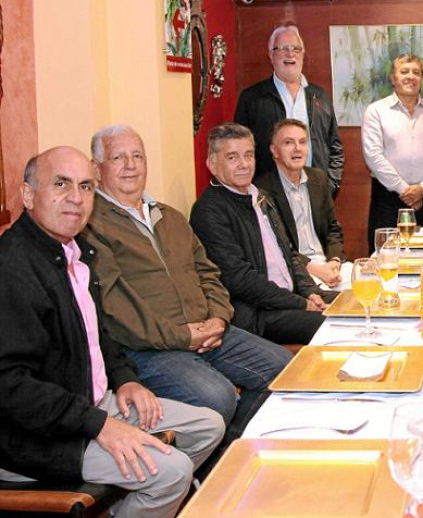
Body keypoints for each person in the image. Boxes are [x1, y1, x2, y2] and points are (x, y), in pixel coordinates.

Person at [0, 147, 224, 518]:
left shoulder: (76, 254)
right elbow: (10, 386)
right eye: (61, 184)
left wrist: (125, 381)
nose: (76, 197)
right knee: (172, 472)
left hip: (88, 406)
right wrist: (100, 425)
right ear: (27, 195)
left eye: (86, 186)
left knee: (208, 425)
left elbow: (98, 336)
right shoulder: (12, 268)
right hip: (32, 438)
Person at [84, 125, 291, 443]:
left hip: (210, 333)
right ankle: (218, 465)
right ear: (97, 169)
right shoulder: (91, 227)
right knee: (218, 396)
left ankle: (231, 448)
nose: (131, 165)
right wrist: (182, 336)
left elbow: (209, 273)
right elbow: (114, 307)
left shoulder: (170, 217)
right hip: (149, 349)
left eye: (137, 155)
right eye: (118, 157)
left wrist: (219, 319)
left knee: (285, 369)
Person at [191, 123, 334, 345]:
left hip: (291, 298)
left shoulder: (262, 197)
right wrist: (299, 303)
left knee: (359, 305)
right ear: (212, 164)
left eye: (248, 155)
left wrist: (310, 292)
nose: (244, 164)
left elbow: (291, 255)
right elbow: (239, 279)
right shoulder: (208, 210)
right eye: (232, 157)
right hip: (258, 314)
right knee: (337, 326)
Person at [234, 23, 344, 195]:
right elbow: (241, 148)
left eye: (296, 48)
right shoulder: (252, 98)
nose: (290, 53)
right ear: (271, 55)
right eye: (283, 48)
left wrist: (330, 186)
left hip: (315, 192)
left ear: (303, 54)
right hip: (269, 193)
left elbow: (335, 146)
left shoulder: (320, 96)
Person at [361, 54, 423, 253]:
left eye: (416, 72)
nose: (411, 76)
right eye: (404, 71)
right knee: (385, 259)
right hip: (387, 199)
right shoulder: (376, 111)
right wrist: (404, 190)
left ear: (422, 78)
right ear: (393, 78)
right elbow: (373, 155)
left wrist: (422, 189)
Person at [256, 119, 348, 288]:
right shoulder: (262, 190)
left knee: (374, 286)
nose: (297, 148)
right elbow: (278, 246)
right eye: (288, 143)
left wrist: (334, 260)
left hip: (330, 265)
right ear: (274, 150)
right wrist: (317, 270)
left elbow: (333, 229)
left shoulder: (318, 178)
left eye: (302, 142)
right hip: (296, 272)